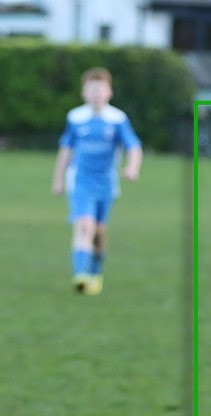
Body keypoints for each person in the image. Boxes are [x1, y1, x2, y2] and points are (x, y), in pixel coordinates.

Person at [52, 67, 142, 296]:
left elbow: (133, 147)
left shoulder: (117, 119)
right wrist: (58, 179)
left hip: (106, 183)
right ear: (84, 94)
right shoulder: (75, 117)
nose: (96, 95)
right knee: (85, 226)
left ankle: (95, 274)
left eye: (100, 90)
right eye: (91, 90)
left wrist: (132, 168)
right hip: (80, 181)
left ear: (109, 93)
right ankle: (80, 276)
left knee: (99, 232)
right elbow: (65, 150)